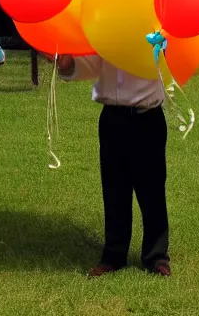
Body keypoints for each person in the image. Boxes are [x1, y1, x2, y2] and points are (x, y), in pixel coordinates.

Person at [51, 54, 171, 277]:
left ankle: (156, 257)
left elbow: (171, 61)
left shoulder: (155, 27)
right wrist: (67, 66)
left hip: (148, 118)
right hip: (112, 119)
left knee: (152, 189)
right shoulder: (103, 29)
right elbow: (91, 64)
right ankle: (114, 256)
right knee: (114, 188)